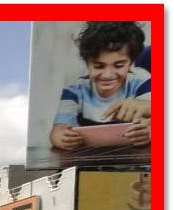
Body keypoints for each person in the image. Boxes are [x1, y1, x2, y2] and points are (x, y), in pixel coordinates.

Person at [50, 21, 151, 150]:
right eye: (99, 66)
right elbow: (58, 129)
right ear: (87, 64)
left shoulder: (141, 80)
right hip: (88, 158)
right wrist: (61, 137)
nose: (108, 75)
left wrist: (150, 130)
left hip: (134, 158)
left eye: (119, 65)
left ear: (131, 62)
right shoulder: (75, 89)